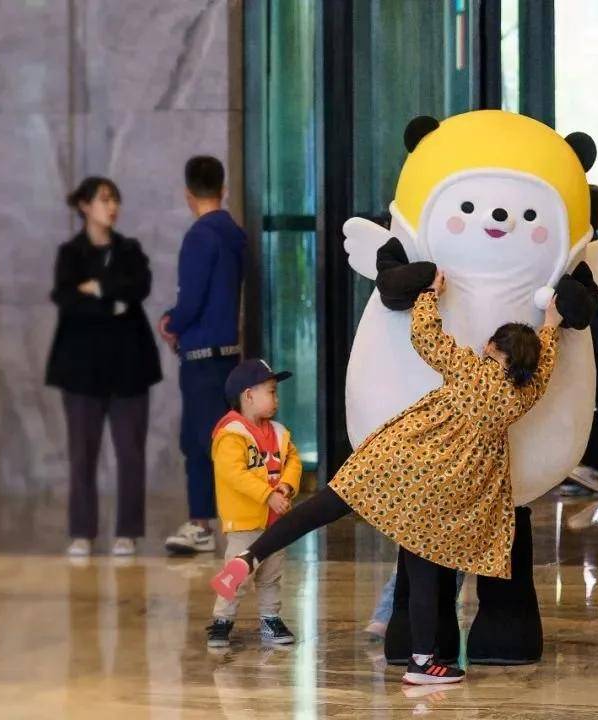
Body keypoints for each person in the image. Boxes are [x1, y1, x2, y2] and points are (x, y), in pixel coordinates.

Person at [211, 271, 564, 685]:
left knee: (323, 506)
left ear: (492, 347)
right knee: (425, 567)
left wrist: (430, 294)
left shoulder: (470, 370)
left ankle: (249, 557)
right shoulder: (522, 396)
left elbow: (426, 336)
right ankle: (422, 661)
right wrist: (551, 326)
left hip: (400, 460)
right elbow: (545, 370)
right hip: (446, 490)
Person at [46, 177, 162, 557]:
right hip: (81, 370)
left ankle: (127, 531)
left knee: (130, 453)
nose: (112, 207)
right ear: (84, 205)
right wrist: (113, 301)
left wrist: (96, 288)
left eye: (115, 200)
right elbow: (66, 299)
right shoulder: (71, 253)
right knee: (82, 455)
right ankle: (82, 532)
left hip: (129, 367)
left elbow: (139, 287)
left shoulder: (129, 249)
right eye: (104, 199)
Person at [159, 156, 247, 555]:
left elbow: (191, 301)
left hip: (200, 355)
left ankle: (201, 524)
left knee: (198, 442)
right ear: (222, 189)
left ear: (188, 194)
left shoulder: (200, 235)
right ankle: (232, 519)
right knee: (224, 440)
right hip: (228, 353)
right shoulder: (234, 233)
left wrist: (170, 323)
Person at [206, 359, 302, 648]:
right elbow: (234, 474)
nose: (276, 398)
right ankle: (222, 620)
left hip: (275, 523)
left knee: (271, 575)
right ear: (248, 395)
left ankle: (270, 619)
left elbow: (293, 461)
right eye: (271, 391)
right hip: (245, 524)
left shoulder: (279, 432)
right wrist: (268, 495)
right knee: (237, 575)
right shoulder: (231, 433)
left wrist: (286, 486)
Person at [564, 184, 598, 495]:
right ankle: (587, 464)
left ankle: (581, 464)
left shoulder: (577, 243)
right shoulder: (592, 247)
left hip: (589, 339)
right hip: (596, 340)